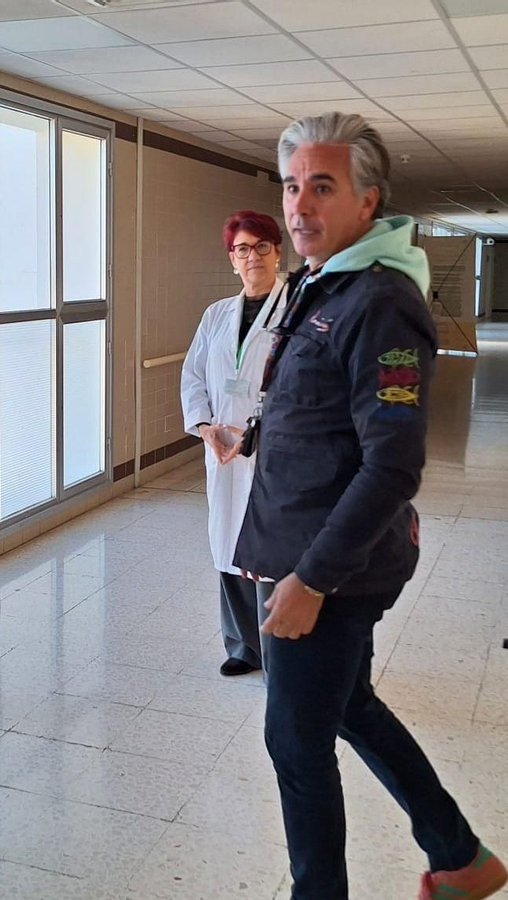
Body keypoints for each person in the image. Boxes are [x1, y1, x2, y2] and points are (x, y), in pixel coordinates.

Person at [232, 112, 508, 900]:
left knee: (295, 742)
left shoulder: (381, 301)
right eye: (291, 186)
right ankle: (459, 856)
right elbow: (321, 416)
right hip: (309, 543)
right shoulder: (326, 283)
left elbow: (393, 463)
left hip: (331, 565)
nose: (299, 205)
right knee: (348, 703)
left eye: (322, 186)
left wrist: (311, 580)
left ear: (367, 200)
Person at [180, 210, 287, 676]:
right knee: (226, 538)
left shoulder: (296, 312)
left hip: (274, 449)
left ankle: (280, 652)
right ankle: (243, 646)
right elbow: (193, 375)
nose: (252, 256)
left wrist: (259, 431)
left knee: (272, 548)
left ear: (278, 252)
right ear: (231, 258)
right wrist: (205, 427)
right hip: (223, 450)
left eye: (261, 246)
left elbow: (304, 386)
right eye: (242, 249)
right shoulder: (217, 314)